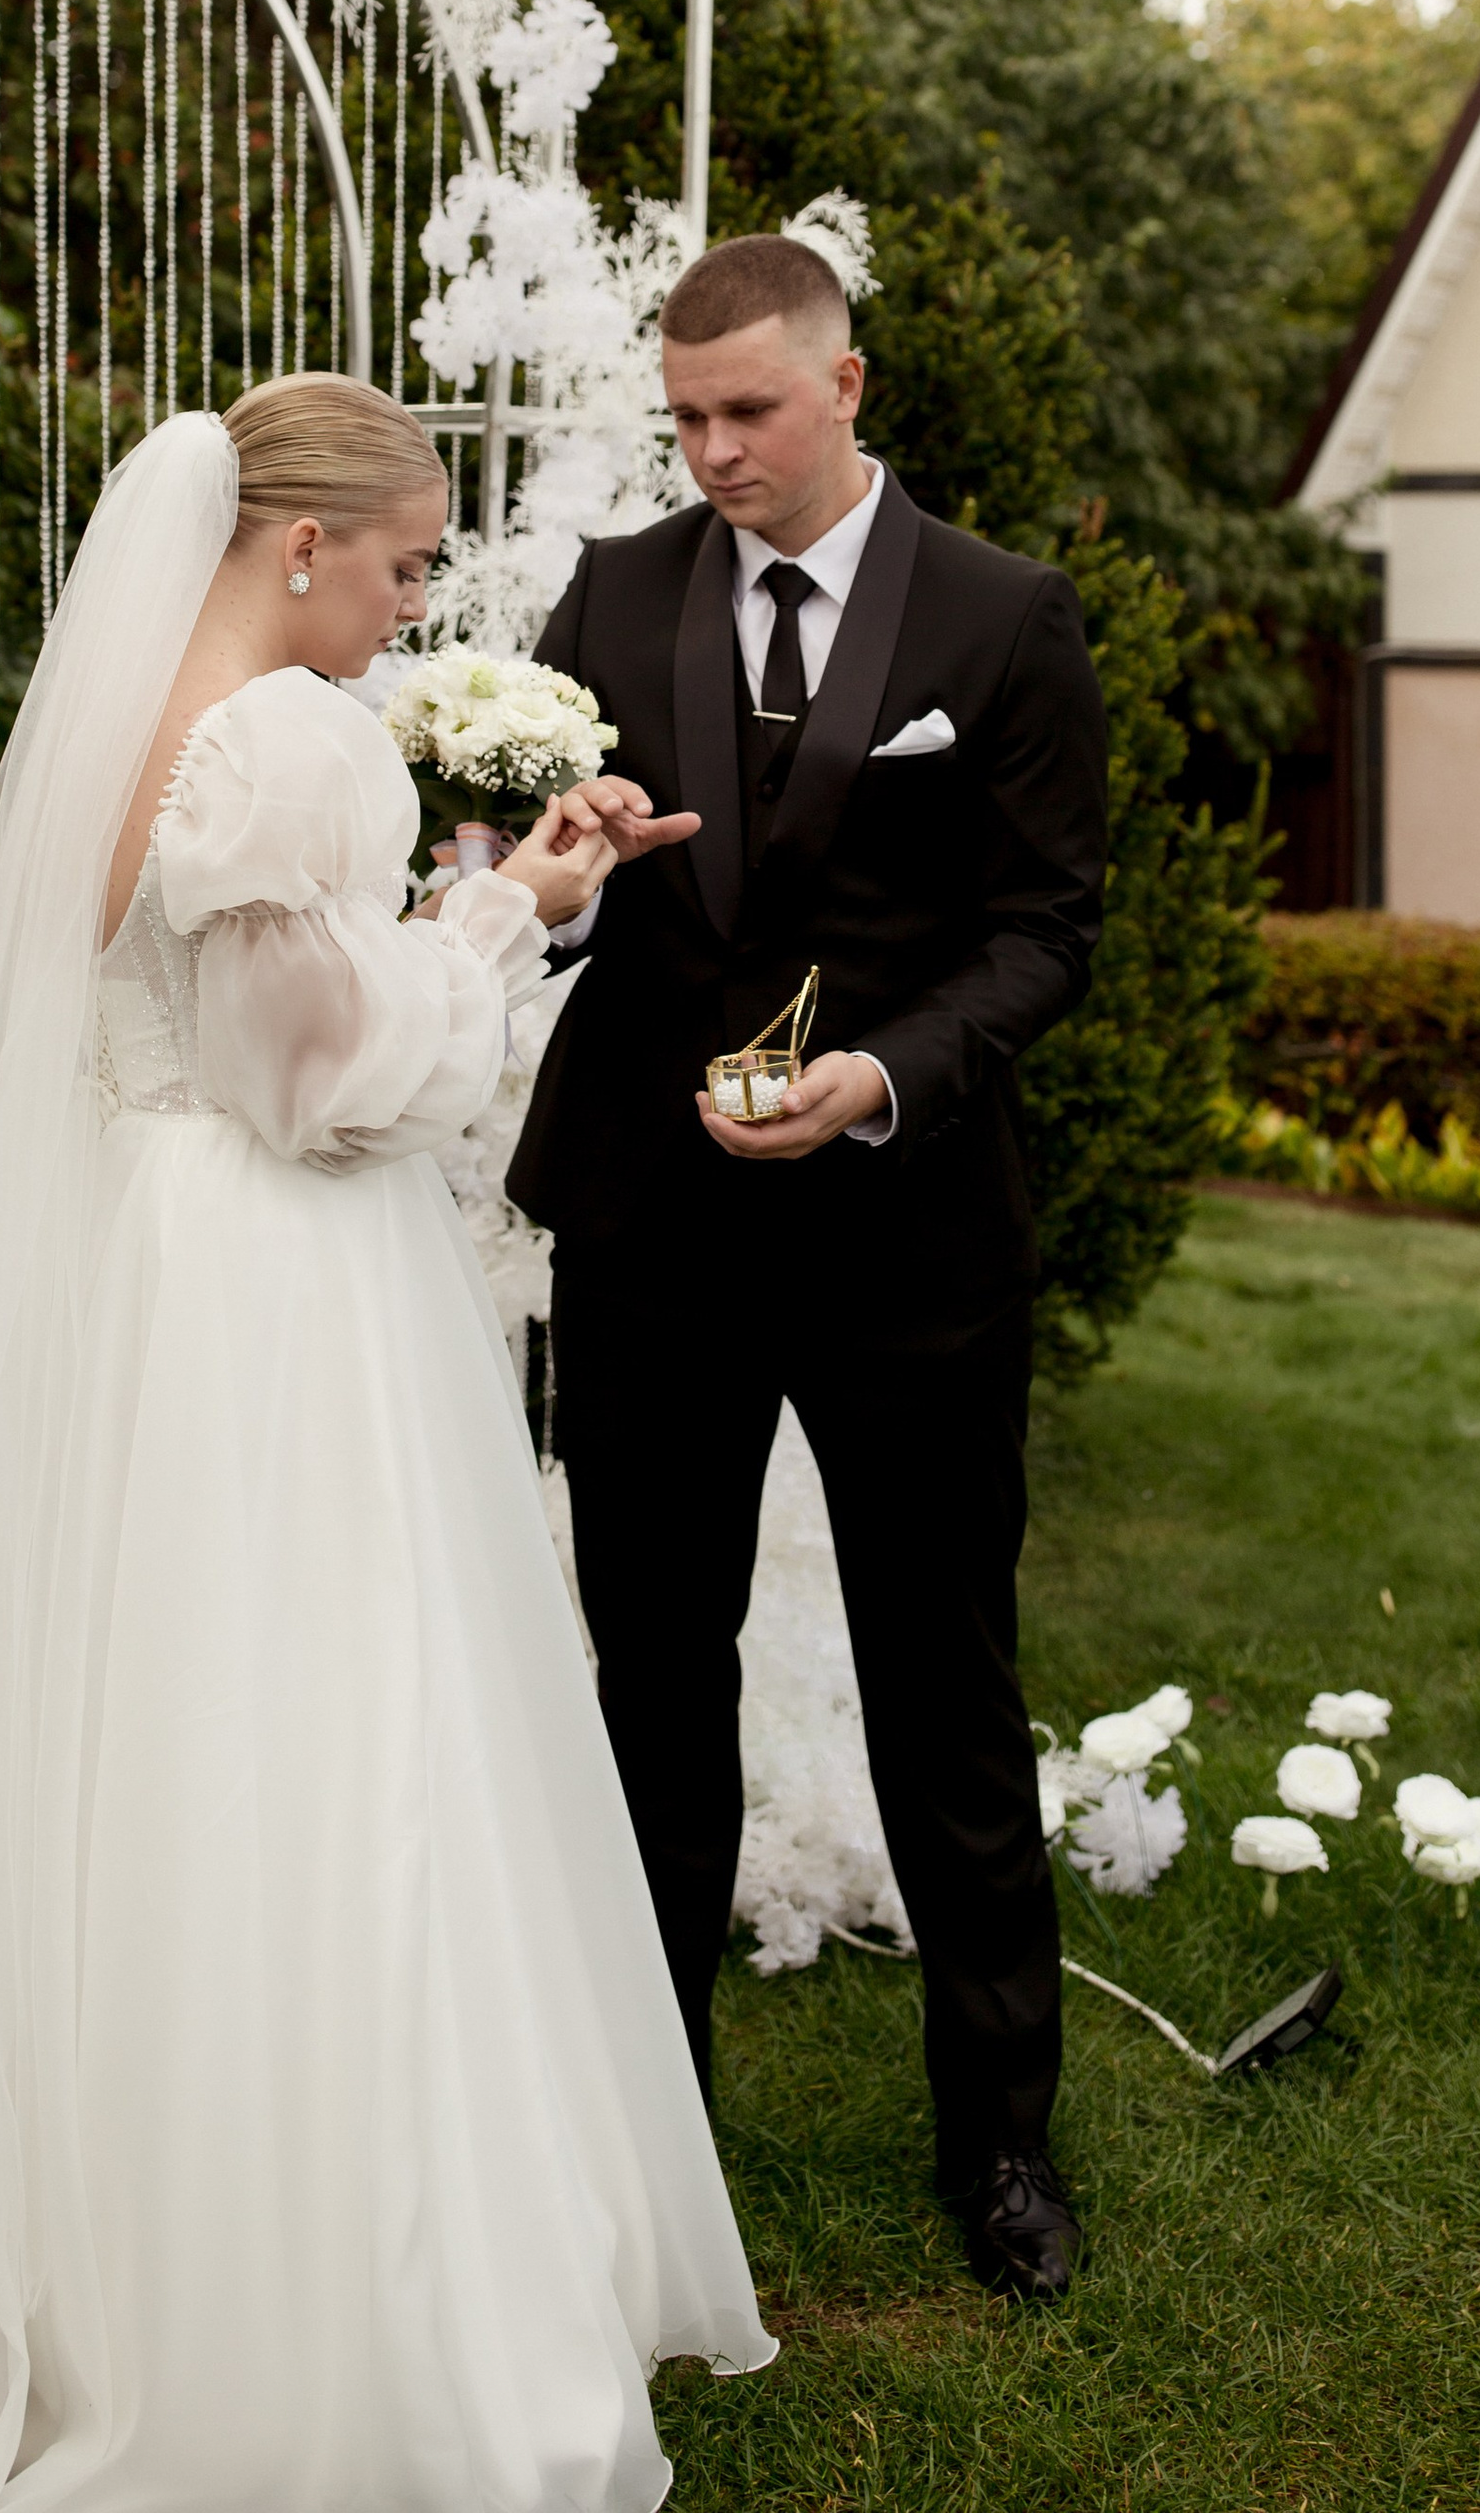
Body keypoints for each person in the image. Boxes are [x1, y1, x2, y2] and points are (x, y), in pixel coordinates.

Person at [0, 380, 774, 2513]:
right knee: (330, 1730)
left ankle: (107, 2262)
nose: (419, 602)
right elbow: (314, 1081)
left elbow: (218, 1029)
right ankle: (309, 2303)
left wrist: (453, 904)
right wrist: (505, 921)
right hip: (273, 1279)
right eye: (409, 561)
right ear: (298, 550)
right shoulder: (279, 743)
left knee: (147, 1735)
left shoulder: (131, 728)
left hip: (158, 1270)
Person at [510, 234, 1109, 2305]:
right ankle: (643, 2133)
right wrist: (560, 887)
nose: (709, 453)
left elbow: (1045, 931)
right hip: (650, 1235)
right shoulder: (607, 593)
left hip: (908, 1241)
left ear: (846, 384)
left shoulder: (1002, 617)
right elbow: (534, 883)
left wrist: (879, 1075)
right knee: (647, 1687)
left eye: (745, 412)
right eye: (680, 419)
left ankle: (1004, 2148)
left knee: (943, 1693)